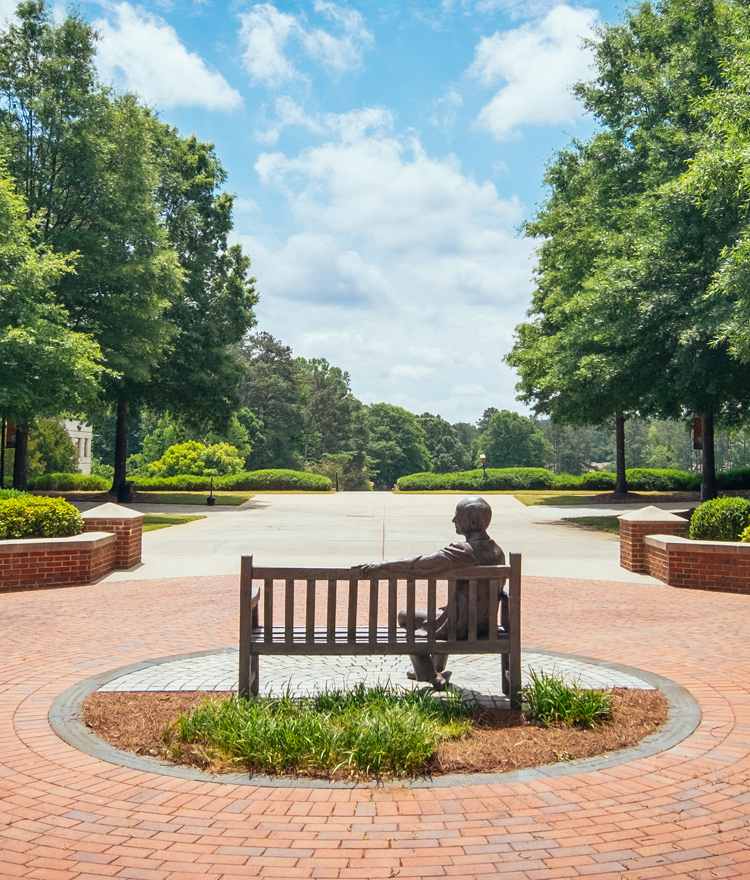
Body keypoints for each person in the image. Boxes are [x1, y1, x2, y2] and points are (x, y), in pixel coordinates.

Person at [358, 496, 505, 689]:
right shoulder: (497, 551)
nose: (454, 521)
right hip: (485, 625)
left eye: (457, 516)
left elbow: (419, 565)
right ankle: (436, 668)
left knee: (406, 620)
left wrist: (381, 566)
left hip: (458, 627)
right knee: (413, 615)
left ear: (472, 522)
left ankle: (431, 676)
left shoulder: (463, 551)